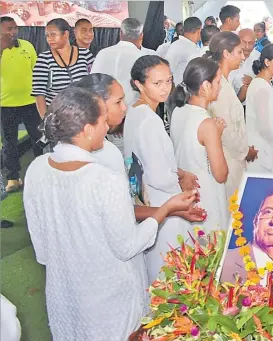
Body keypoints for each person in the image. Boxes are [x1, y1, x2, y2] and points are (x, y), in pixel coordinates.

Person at [24, 86, 197, 341]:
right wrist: (166, 209)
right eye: (104, 122)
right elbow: (128, 246)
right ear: (87, 129)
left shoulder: (36, 169)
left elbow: (43, 249)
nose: (108, 128)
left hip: (64, 293)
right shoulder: (103, 177)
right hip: (109, 299)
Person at [73, 73, 207, 223]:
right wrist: (171, 209)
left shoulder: (100, 145)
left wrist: (179, 177)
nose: (124, 107)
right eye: (118, 102)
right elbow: (120, 213)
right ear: (95, 105)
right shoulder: (104, 154)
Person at [123, 55, 199, 281]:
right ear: (139, 84)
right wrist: (180, 180)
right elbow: (159, 176)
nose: (165, 88)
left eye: (169, 81)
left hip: (145, 194)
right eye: (157, 83)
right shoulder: (149, 120)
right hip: (162, 197)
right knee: (170, 268)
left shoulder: (135, 111)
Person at [169, 57, 229, 233]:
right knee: (211, 246)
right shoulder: (207, 124)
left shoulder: (179, 111)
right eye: (217, 82)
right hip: (207, 192)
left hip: (188, 194)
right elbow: (221, 174)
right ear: (205, 86)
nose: (220, 86)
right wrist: (217, 135)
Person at [206, 32, 257, 198]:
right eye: (240, 52)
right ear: (226, 54)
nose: (243, 56)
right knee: (232, 208)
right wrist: (244, 151)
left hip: (234, 155)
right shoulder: (218, 86)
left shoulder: (224, 82)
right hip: (229, 157)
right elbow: (226, 131)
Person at [1, 16, 43, 193]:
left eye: (14, 28)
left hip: (30, 102)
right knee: (9, 142)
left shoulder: (27, 46)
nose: (12, 32)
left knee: (38, 138)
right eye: (8, 29)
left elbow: (37, 71)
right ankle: (13, 177)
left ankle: (41, 172)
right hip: (5, 104)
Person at [32, 18, 94, 118]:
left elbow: (95, 82)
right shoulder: (44, 59)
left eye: (53, 34)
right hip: (58, 116)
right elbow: (39, 94)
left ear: (65, 34)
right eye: (47, 36)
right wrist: (45, 121)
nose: (49, 39)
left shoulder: (85, 54)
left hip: (85, 113)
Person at [246, 44, 273, 173]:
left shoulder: (265, 83)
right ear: (267, 62)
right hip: (262, 147)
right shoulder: (261, 87)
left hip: (269, 142)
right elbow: (264, 126)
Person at [91, 18, 155, 108]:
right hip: (133, 111)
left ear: (120, 33)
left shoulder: (103, 53)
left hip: (104, 111)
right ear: (141, 36)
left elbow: (92, 84)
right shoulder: (143, 58)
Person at [165, 16, 202, 84]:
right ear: (199, 31)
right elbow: (167, 70)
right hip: (181, 91)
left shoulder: (193, 46)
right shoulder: (177, 46)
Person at [229, 28, 261, 105]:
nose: (247, 46)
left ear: (255, 42)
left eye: (250, 43)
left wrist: (253, 81)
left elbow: (267, 82)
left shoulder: (259, 57)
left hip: (253, 105)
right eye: (244, 42)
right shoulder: (229, 56)